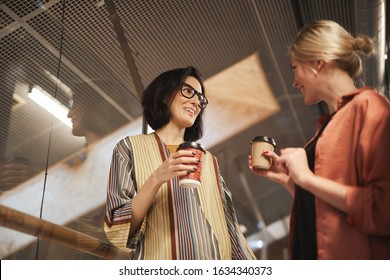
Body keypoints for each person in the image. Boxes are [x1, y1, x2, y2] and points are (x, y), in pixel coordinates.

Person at [249, 20, 390, 259]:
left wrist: (307, 179)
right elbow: (329, 212)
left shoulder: (369, 107)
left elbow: (383, 208)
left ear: (318, 62)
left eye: (295, 67)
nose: (294, 81)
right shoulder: (327, 127)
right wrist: (294, 184)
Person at [104, 66, 256, 260]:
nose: (196, 102)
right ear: (165, 94)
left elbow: (229, 227)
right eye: (188, 91)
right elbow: (117, 227)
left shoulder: (208, 160)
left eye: (200, 98)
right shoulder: (129, 148)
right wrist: (157, 178)